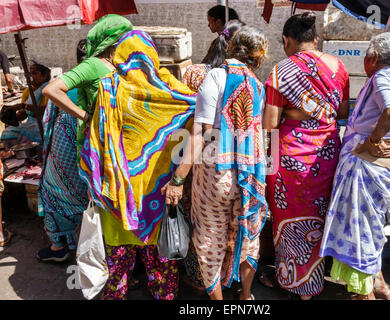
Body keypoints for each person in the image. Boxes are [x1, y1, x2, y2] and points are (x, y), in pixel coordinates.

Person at [79, 30, 196, 300]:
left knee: (117, 265)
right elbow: (195, 110)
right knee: (161, 265)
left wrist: (95, 182)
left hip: (118, 193)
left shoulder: (109, 88)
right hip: (158, 192)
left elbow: (97, 139)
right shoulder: (168, 85)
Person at [162, 25, 269, 300]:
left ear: (231, 48)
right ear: (257, 57)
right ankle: (246, 296)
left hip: (215, 177)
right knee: (247, 237)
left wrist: (178, 179)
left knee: (210, 241)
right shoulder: (257, 85)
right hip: (250, 178)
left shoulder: (215, 78)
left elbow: (200, 133)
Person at [319, 32, 390, 300]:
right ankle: (378, 283)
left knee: (360, 228)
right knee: (370, 226)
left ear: (373, 57)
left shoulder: (383, 77)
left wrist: (371, 141)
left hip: (367, 166)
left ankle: (365, 295)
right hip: (382, 166)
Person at [263, 12, 349, 300]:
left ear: (287, 40)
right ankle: (312, 283)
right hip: (326, 156)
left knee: (288, 216)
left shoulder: (281, 71)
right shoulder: (339, 67)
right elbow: (343, 114)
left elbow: (270, 124)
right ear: (315, 39)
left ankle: (292, 281)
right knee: (318, 216)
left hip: (289, 159)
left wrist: (291, 112)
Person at [180, 19, 245, 295]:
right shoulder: (244, 78)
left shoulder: (194, 73)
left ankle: (200, 277)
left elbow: (186, 119)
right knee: (229, 224)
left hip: (193, 159)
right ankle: (227, 277)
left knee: (201, 226)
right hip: (231, 161)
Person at [42, 14, 133, 163]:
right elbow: (51, 90)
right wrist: (86, 117)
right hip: (102, 143)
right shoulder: (93, 65)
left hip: (122, 141)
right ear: (113, 42)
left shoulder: (123, 65)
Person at [36, 40, 90, 262]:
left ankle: (60, 246)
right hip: (90, 155)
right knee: (86, 200)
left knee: (52, 194)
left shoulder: (67, 81)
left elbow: (49, 120)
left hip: (63, 150)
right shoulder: (107, 82)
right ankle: (83, 245)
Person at [1, 63, 51, 145]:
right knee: (7, 134)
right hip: (31, 124)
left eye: (34, 73)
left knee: (28, 138)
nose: (31, 77)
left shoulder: (49, 90)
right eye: (30, 74)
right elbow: (24, 115)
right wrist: (11, 115)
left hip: (45, 124)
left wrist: (24, 106)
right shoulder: (28, 91)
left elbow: (46, 110)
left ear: (44, 76)